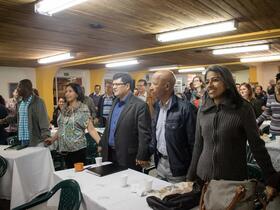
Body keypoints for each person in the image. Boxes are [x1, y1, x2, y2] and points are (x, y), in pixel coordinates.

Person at [187, 65, 279, 192]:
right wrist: (190, 177)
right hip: (203, 179)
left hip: (232, 182)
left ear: (227, 82)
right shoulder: (203, 110)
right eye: (207, 81)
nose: (210, 85)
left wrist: (272, 178)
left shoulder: (243, 109)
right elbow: (198, 145)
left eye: (215, 80)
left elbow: (256, 146)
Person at [149, 71, 196, 183]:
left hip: (178, 167)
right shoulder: (157, 106)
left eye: (154, 84)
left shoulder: (186, 109)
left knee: (176, 199)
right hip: (160, 163)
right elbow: (155, 135)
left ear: (167, 86)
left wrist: (192, 172)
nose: (151, 88)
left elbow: (194, 143)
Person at [99, 73, 151, 171]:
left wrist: (142, 155)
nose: (113, 87)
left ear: (127, 86)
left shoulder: (140, 105)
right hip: (109, 153)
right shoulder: (115, 102)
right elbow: (109, 127)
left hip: (128, 156)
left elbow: (144, 135)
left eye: (117, 84)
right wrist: (102, 144)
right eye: (113, 84)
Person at [45, 83, 101, 168]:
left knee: (78, 177)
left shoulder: (83, 108)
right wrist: (52, 139)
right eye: (66, 91)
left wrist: (101, 143)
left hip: (78, 150)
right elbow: (62, 128)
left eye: (70, 91)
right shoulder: (64, 108)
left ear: (77, 94)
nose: (67, 93)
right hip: (65, 150)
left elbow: (91, 129)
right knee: (69, 175)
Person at [0, 79, 50, 146]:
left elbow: (43, 120)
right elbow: (16, 118)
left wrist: (46, 136)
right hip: (22, 140)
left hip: (35, 141)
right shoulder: (20, 103)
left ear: (26, 88)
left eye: (19, 87)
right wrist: (3, 120)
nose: (17, 89)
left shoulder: (38, 102)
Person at [257, 73, 280, 137]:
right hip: (274, 132)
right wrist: (256, 121)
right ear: (276, 85)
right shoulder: (271, 97)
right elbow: (266, 113)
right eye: (278, 83)